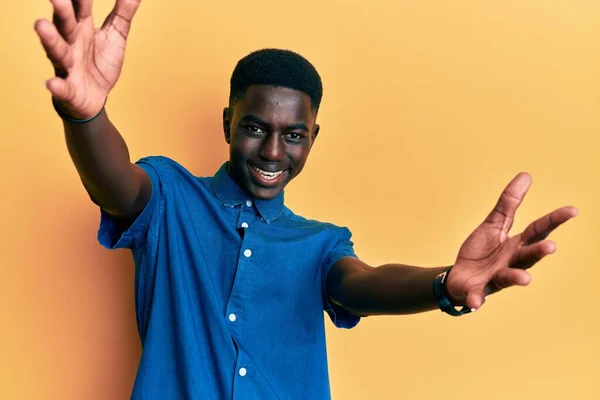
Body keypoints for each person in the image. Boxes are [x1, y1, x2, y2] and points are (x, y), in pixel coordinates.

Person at [34, 0, 578, 399]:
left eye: (294, 134)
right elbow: (114, 183)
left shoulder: (320, 243)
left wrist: (443, 285)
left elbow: (361, 284)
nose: (273, 150)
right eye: (254, 127)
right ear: (227, 123)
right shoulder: (172, 198)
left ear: (313, 138)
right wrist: (86, 113)